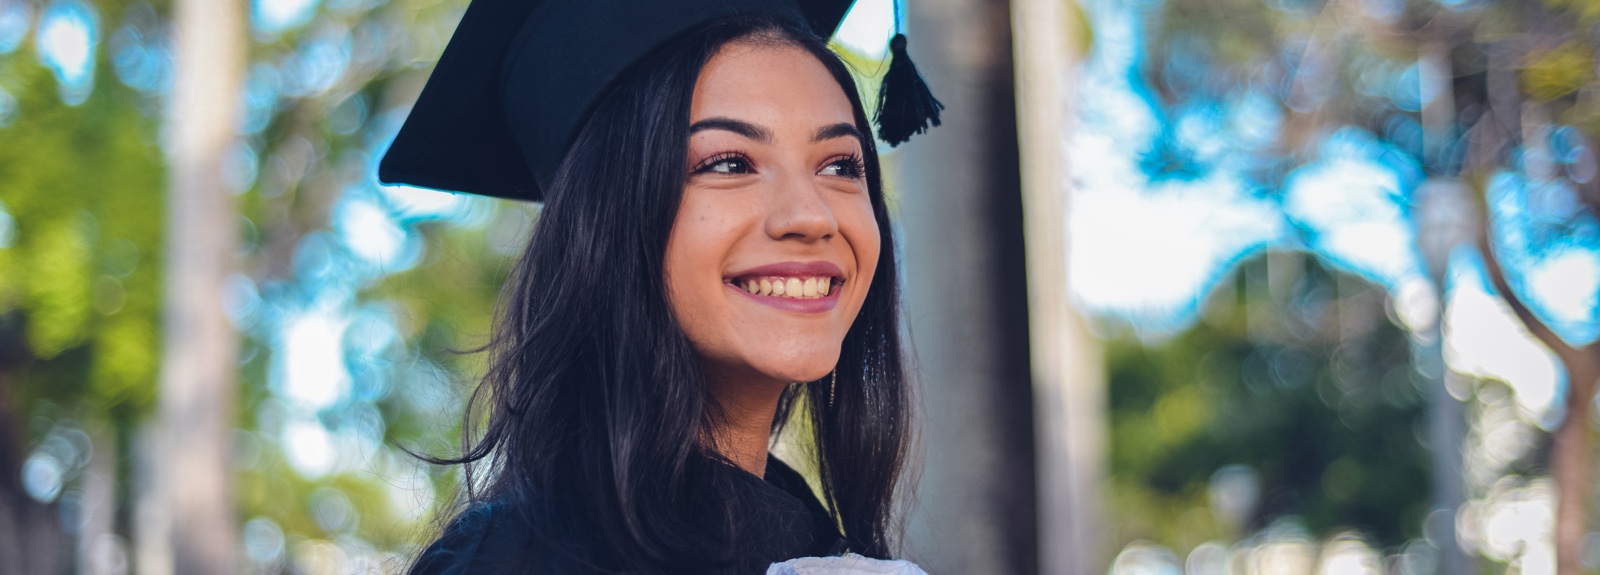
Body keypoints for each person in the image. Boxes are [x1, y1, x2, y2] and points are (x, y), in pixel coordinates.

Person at [378, 0, 941, 572]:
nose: (813, 216)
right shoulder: (518, 561)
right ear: (604, 224)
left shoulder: (822, 547)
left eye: (840, 166)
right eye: (728, 163)